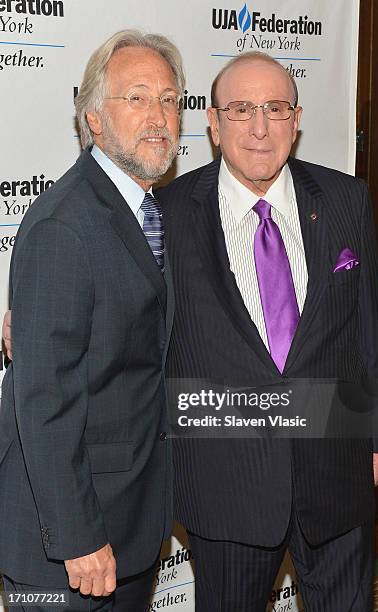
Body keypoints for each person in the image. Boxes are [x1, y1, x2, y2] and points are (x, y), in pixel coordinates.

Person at [155, 52, 378, 611]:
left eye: (276, 108)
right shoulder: (167, 214)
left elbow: (367, 325)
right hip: (227, 483)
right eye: (241, 110)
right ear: (213, 125)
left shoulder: (344, 200)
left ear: (297, 120)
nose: (260, 128)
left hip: (336, 473)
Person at [0, 29, 183, 611]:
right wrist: (79, 536)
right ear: (94, 119)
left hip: (130, 520)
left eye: (170, 99)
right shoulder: (65, 224)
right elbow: (44, 399)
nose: (158, 115)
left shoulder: (152, 213)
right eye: (137, 98)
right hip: (66, 546)